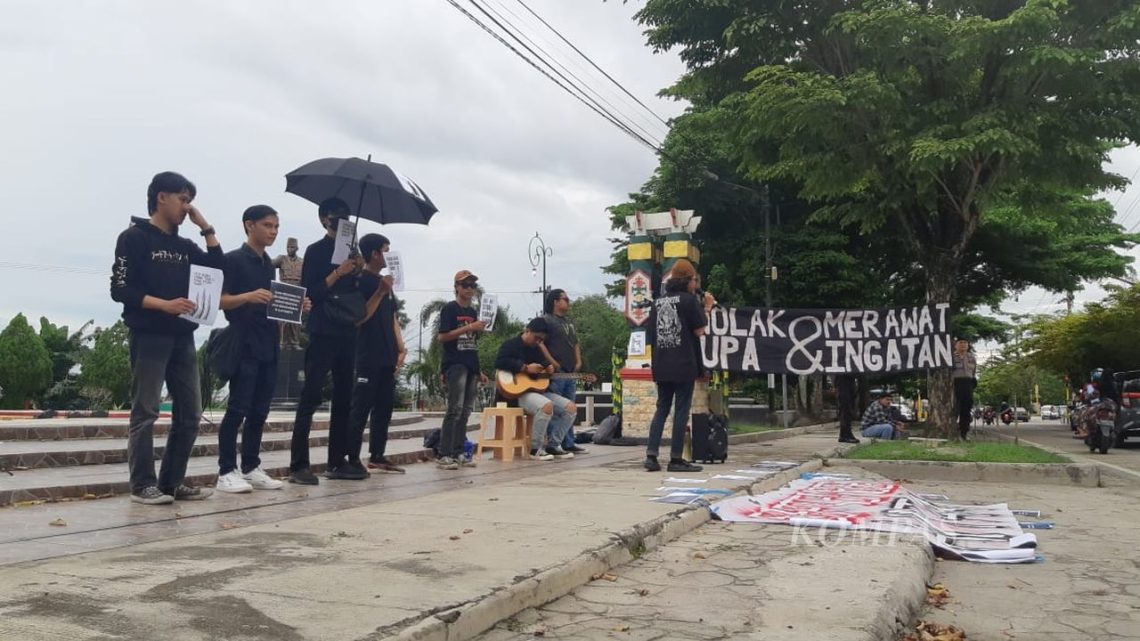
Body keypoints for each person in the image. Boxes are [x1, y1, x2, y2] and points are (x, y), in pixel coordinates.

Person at [110, 171, 222, 504]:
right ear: (162, 197)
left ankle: (172, 481)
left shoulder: (186, 245)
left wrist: (206, 227)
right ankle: (142, 484)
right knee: (146, 410)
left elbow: (216, 269)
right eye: (183, 199)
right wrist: (165, 305)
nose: (187, 208)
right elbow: (120, 289)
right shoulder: (134, 238)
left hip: (183, 337)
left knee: (191, 411)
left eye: (190, 202)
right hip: (149, 334)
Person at [215, 205, 301, 493]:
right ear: (249, 225)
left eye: (276, 226)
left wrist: (296, 306)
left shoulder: (268, 264)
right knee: (237, 407)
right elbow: (220, 300)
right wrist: (249, 296)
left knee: (260, 410)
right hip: (243, 340)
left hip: (268, 341)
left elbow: (273, 302)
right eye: (267, 225)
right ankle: (227, 469)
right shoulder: (233, 260)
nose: (273, 231)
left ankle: (251, 466)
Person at [290, 198, 364, 485]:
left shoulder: (352, 252)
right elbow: (312, 293)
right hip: (323, 330)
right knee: (310, 395)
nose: (341, 222)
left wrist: (357, 269)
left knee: (344, 397)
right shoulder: (316, 250)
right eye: (335, 218)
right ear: (324, 220)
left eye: (346, 217)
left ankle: (337, 460)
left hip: (347, 330)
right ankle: (299, 464)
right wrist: (338, 273)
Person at [347, 233, 408, 474]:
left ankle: (378, 454)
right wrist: (380, 292)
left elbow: (392, 317)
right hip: (367, 354)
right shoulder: (362, 281)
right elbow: (360, 317)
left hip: (387, 355)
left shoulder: (386, 284)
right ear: (374, 253)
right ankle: (351, 456)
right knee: (361, 407)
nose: (388, 255)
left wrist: (400, 347)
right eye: (385, 249)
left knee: (384, 407)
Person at [644, 259, 709, 473]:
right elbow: (700, 331)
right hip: (683, 363)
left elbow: (651, 336)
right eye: (694, 280)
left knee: (662, 408)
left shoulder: (658, 302)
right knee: (681, 410)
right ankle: (675, 458)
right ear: (687, 281)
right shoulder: (689, 301)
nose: (695, 284)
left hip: (661, 364)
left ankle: (651, 456)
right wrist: (707, 308)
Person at [495, 317, 577, 461]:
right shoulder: (511, 345)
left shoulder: (537, 349)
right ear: (527, 331)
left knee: (570, 408)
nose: (538, 342)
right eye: (536, 338)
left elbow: (543, 372)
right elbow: (500, 362)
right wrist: (524, 367)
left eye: (541, 340)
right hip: (517, 393)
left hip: (538, 391)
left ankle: (554, 444)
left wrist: (548, 369)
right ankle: (535, 448)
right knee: (546, 406)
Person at [437, 270, 487, 470]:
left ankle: (458, 451)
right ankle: (444, 453)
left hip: (470, 363)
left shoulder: (473, 312)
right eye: (465, 285)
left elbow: (472, 343)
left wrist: (479, 369)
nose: (469, 289)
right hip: (455, 362)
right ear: (456, 287)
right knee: (454, 409)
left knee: (466, 410)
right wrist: (468, 327)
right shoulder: (450, 309)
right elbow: (442, 337)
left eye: (472, 285)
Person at [540, 288, 587, 454]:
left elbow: (575, 343)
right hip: (557, 372)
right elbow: (540, 343)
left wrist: (579, 361)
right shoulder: (546, 321)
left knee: (570, 407)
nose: (568, 302)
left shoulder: (569, 322)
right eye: (565, 299)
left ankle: (568, 442)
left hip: (570, 370)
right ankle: (553, 443)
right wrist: (552, 362)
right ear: (555, 301)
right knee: (557, 409)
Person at [272, 237, 304, 350]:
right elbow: (270, 264)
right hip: (284, 290)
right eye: (288, 247)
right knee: (283, 319)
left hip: (297, 291)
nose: (290, 249)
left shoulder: (302, 261)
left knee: (295, 320)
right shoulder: (282, 259)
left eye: (292, 247)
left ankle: (294, 342)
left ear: (297, 248)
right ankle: (282, 342)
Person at [952, 338, 977, 440]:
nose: (963, 345)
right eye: (960, 343)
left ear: (968, 345)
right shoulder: (951, 357)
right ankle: (953, 430)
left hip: (968, 383)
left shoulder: (972, 357)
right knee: (955, 408)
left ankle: (964, 433)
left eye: (965, 343)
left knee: (966, 409)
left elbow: (974, 371)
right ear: (955, 345)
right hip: (955, 383)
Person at [836, 375, 860, 444]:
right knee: (845, 410)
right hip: (844, 385)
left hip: (850, 382)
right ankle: (845, 435)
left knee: (848, 410)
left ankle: (844, 434)